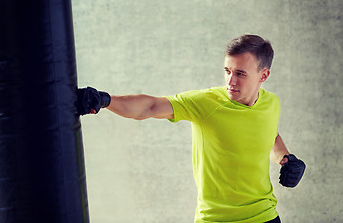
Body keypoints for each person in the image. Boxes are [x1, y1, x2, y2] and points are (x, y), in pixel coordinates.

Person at [77, 34, 306, 223]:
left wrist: (286, 158)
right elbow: (150, 106)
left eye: (240, 74)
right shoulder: (207, 103)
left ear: (263, 75)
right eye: (227, 71)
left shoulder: (272, 103)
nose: (230, 81)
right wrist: (106, 100)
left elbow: (270, 135)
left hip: (264, 217)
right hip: (216, 219)